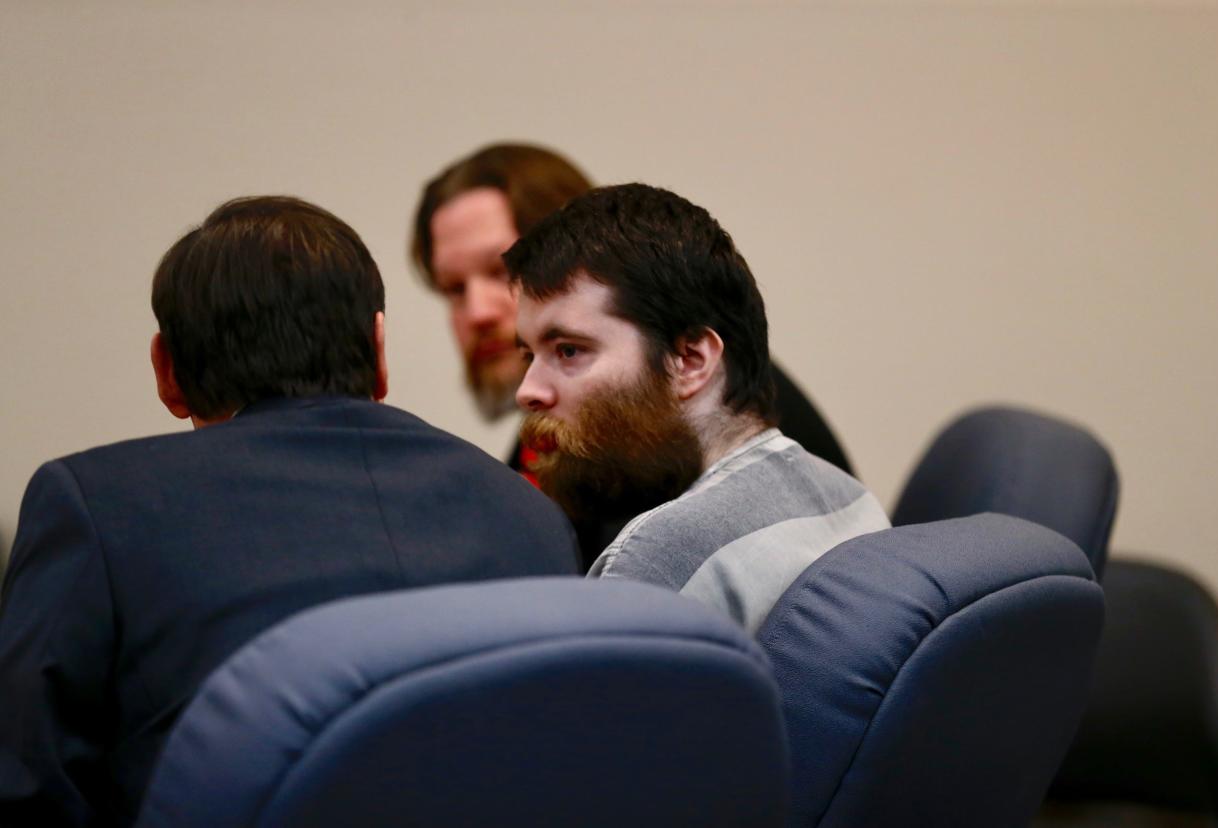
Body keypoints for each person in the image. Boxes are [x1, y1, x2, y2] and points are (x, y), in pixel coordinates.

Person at [0, 196, 578, 827]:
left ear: (167, 370)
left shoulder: (95, 504)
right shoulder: (527, 511)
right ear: (378, 351)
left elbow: (25, 786)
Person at [411, 143, 855, 568]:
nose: (478, 311)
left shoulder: (706, 414)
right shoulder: (566, 426)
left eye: (501, 270)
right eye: (454, 289)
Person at [506, 183, 890, 633]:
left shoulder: (657, 565)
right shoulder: (850, 497)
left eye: (569, 350)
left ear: (690, 361)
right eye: (529, 356)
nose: (527, 391)